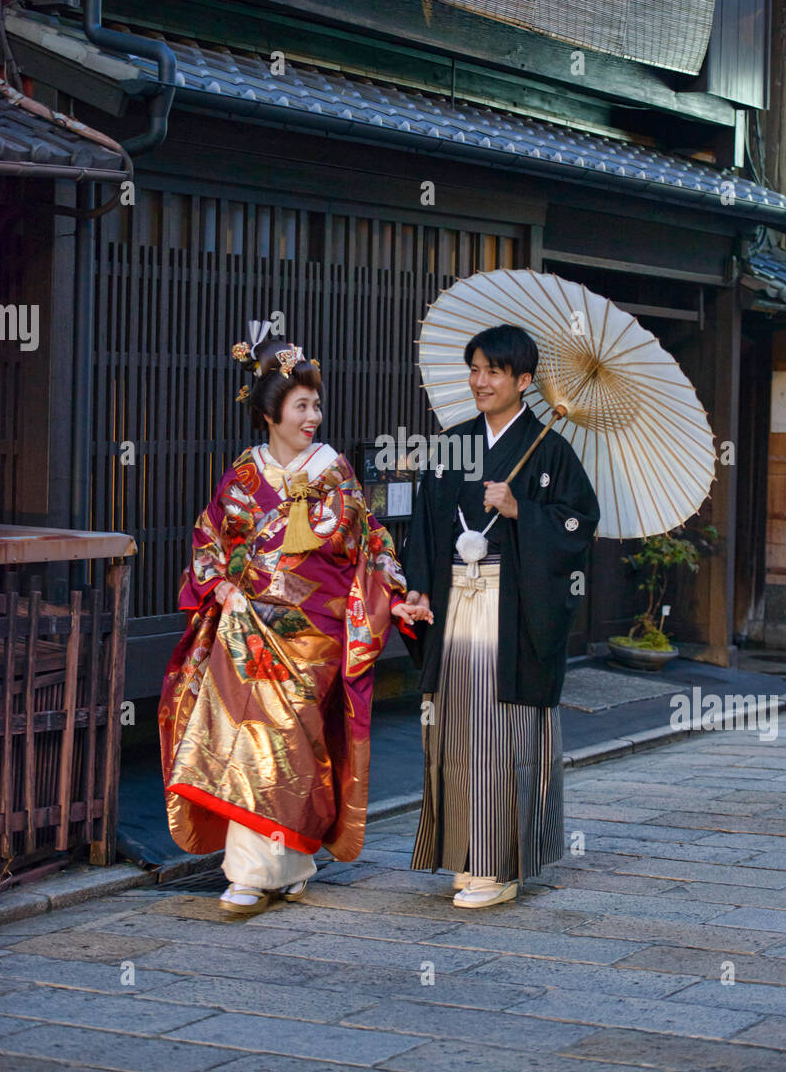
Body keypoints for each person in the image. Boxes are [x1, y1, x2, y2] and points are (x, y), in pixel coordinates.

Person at [158, 321, 429, 919]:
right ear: (270, 413)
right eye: (301, 405)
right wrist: (223, 584)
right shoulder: (244, 476)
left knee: (298, 745)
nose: (313, 416)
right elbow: (208, 542)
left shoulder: (334, 473)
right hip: (249, 624)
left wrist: (401, 589)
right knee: (245, 735)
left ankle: (287, 863)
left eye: (316, 405)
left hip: (317, 633)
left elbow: (371, 542)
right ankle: (254, 872)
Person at [401, 322, 600, 908]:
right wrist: (418, 589)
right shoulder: (451, 445)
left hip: (512, 612)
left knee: (499, 734)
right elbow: (426, 531)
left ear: (524, 381)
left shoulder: (551, 450)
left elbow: (578, 525)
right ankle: (466, 856)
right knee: (455, 728)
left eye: (493, 370)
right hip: (457, 602)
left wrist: (521, 511)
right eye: (475, 368)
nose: (479, 380)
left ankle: (500, 864)